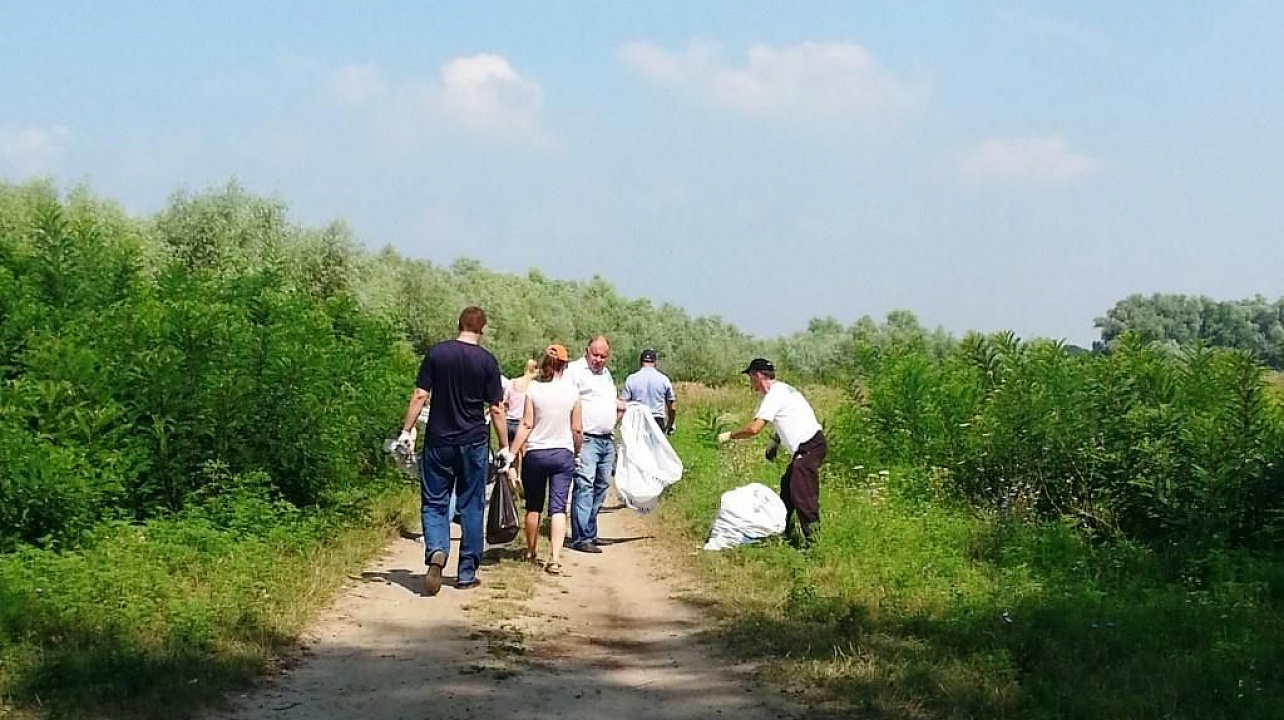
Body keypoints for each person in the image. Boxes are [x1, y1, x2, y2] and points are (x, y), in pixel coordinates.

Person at [397, 306, 512, 595]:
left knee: (434, 501)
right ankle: (466, 573)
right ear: (482, 329)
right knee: (471, 505)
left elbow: (420, 395)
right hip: (473, 442)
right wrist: (505, 447)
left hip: (439, 440)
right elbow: (496, 408)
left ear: (458, 324)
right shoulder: (487, 361)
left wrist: (406, 431)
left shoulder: (437, 354)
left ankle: (437, 549)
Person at [717, 358, 827, 546]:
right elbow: (788, 418)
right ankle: (782, 532)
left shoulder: (774, 395)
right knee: (787, 490)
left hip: (809, 446)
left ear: (758, 375)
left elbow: (754, 429)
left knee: (802, 495)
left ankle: (815, 544)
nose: (750, 382)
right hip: (811, 445)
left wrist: (730, 435)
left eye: (751, 377)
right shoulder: (783, 390)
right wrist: (774, 443)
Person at [509, 344, 581, 575]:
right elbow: (577, 429)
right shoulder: (572, 392)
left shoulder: (534, 390)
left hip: (536, 454)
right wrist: (576, 451)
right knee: (558, 508)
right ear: (565, 365)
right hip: (562, 453)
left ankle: (531, 552)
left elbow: (526, 424)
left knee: (533, 506)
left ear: (544, 364)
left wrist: (511, 452)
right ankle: (555, 558)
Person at [566, 335, 624, 553]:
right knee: (584, 485)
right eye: (595, 355)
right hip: (587, 438)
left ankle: (590, 532)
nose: (598, 360)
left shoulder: (606, 375)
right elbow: (567, 402)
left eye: (603, 356)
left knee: (601, 486)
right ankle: (581, 538)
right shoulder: (575, 371)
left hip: (606, 439)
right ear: (586, 351)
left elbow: (609, 402)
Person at [620, 348, 676, 433]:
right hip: (657, 420)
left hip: (638, 420)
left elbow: (623, 404)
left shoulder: (631, 379)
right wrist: (670, 424)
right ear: (655, 362)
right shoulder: (664, 379)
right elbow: (672, 407)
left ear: (640, 362)